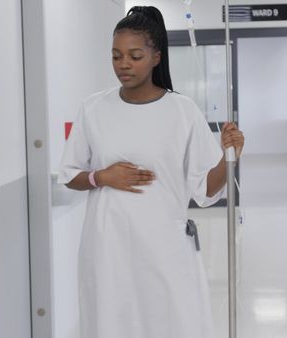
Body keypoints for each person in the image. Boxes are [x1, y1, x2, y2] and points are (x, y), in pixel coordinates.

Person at [58, 6, 244, 338]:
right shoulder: (94, 108)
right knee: (111, 325)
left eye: (134, 55)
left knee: (169, 324)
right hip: (106, 248)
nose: (123, 64)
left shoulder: (181, 110)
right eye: (116, 56)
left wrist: (231, 156)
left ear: (156, 57)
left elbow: (205, 189)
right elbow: (69, 173)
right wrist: (102, 177)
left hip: (163, 246)